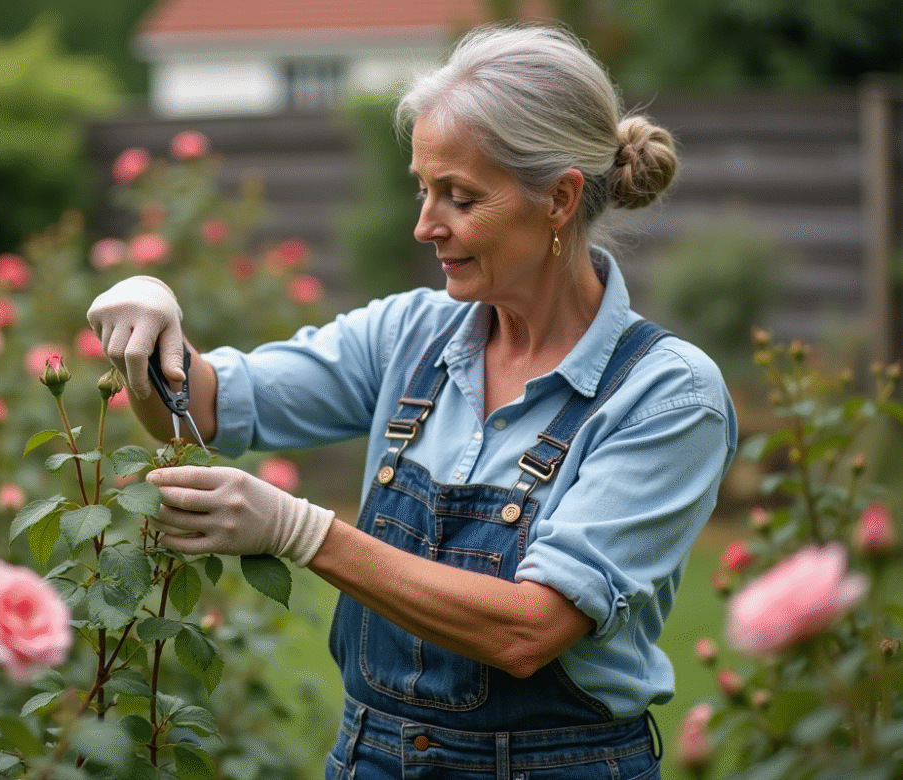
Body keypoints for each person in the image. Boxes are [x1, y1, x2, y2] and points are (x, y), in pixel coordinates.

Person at [87, 23, 737, 780]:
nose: (425, 225)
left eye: (459, 197)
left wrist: (302, 532)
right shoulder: (411, 333)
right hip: (371, 757)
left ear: (558, 198)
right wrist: (151, 325)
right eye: (423, 188)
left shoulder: (667, 397)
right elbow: (209, 408)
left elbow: (528, 631)